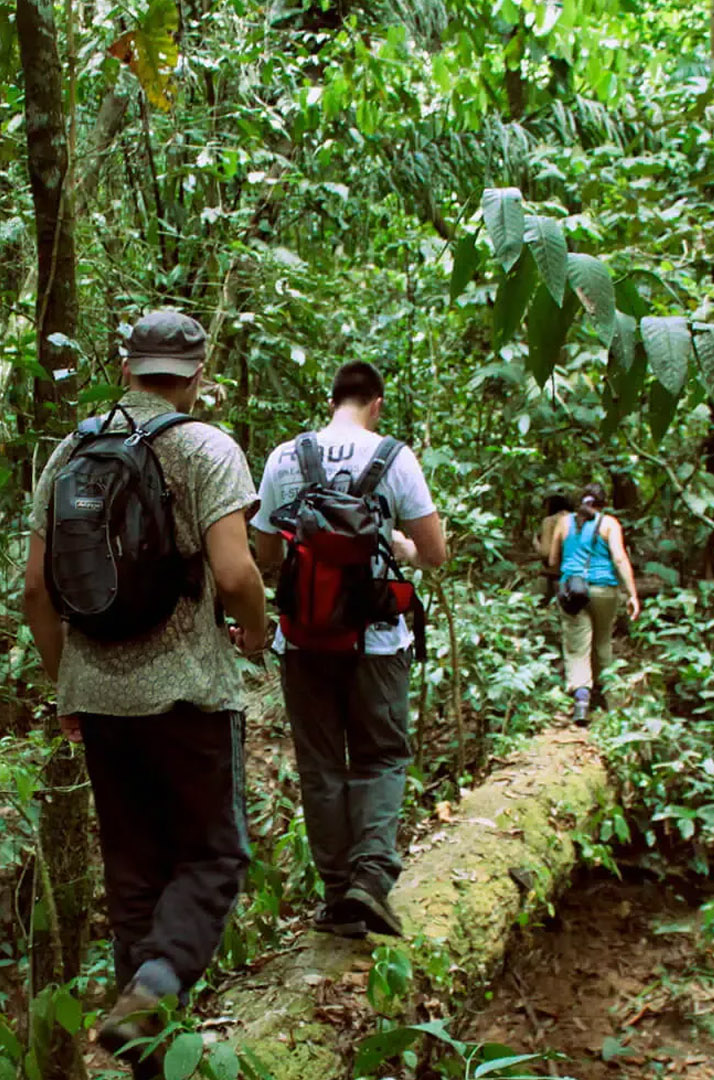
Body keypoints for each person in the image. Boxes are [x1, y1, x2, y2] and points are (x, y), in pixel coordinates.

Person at [22, 311, 268, 1075]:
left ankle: (146, 1057)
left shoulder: (71, 449)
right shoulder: (206, 448)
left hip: (99, 700)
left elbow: (35, 591)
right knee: (215, 857)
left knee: (134, 876)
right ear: (199, 373)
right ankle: (157, 987)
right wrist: (256, 631)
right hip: (188, 695)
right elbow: (234, 574)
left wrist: (66, 680)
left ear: (126, 367)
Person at [251, 360, 446, 938]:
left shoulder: (287, 457)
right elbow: (435, 553)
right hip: (378, 640)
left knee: (320, 764)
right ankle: (370, 877)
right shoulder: (393, 457)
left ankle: (338, 896)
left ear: (330, 400)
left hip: (304, 637)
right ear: (376, 404)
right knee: (380, 756)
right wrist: (401, 547)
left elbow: (265, 554)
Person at [548, 483, 640, 725]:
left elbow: (552, 560)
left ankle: (581, 702)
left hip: (573, 591)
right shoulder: (609, 523)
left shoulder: (564, 522)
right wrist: (632, 594)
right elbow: (619, 558)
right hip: (604, 589)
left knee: (577, 647)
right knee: (602, 642)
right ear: (603, 504)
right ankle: (611, 701)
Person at [535, 493, 573, 603]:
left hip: (554, 574)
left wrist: (536, 544)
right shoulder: (578, 520)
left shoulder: (550, 521)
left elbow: (545, 552)